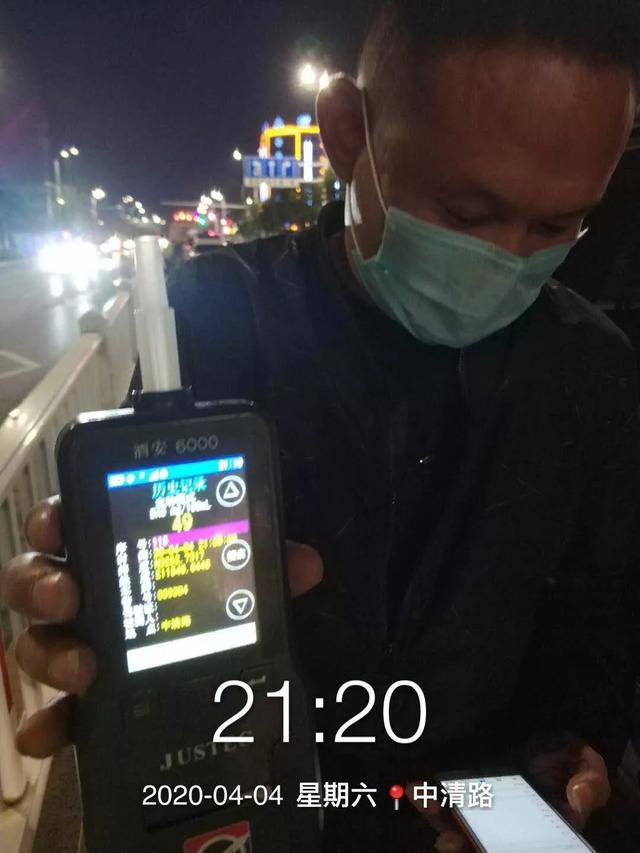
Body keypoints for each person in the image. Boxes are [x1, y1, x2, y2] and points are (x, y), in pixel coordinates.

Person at [2, 1, 640, 850]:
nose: (511, 257)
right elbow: (148, 587)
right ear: (346, 131)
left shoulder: (593, 368)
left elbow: (601, 605)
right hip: (262, 807)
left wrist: (572, 749)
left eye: (557, 226)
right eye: (467, 212)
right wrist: (95, 612)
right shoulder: (216, 319)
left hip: (479, 814)